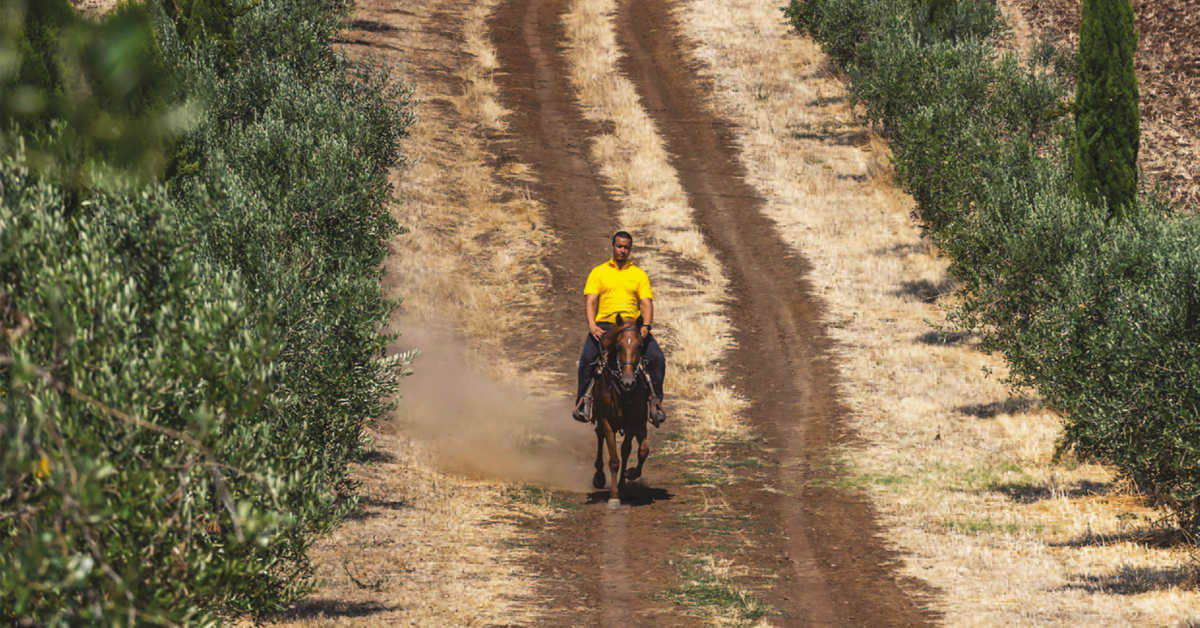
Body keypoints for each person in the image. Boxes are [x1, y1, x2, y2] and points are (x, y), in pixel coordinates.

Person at [573, 231, 667, 426]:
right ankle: (583, 403)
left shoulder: (639, 274)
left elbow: (647, 303)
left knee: (657, 359)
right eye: (619, 246)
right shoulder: (598, 272)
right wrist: (592, 325)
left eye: (626, 247)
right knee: (586, 360)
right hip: (605, 326)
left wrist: (647, 326)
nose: (622, 250)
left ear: (630, 249)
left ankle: (655, 403)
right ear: (613, 246)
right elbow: (591, 301)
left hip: (632, 327)